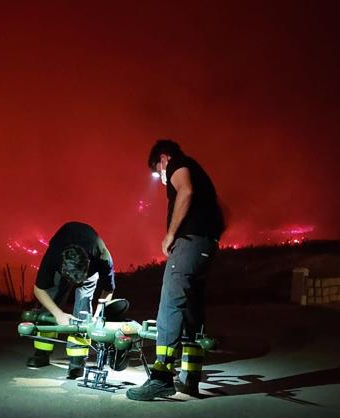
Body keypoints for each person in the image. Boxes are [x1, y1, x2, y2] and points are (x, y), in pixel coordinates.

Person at [127, 139, 224, 401]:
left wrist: (170, 235)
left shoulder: (178, 164)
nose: (159, 178)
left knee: (171, 302)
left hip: (190, 243)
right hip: (206, 244)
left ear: (163, 158)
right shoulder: (198, 170)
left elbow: (186, 191)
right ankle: (190, 377)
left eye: (157, 170)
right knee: (192, 308)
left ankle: (161, 377)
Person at [27, 221, 115, 379]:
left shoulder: (102, 257)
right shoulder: (54, 256)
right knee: (51, 302)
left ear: (88, 263)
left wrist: (97, 315)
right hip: (63, 263)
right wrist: (58, 314)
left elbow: (108, 290)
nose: (75, 283)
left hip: (89, 272)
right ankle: (42, 353)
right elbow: (39, 290)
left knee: (83, 310)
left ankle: (77, 362)